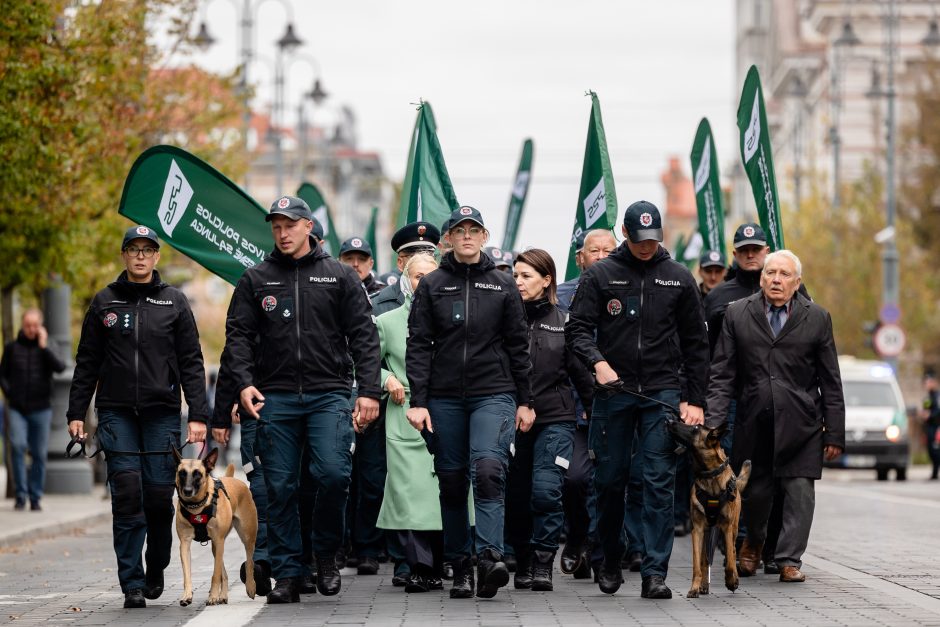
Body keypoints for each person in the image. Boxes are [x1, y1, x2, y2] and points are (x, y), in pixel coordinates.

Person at [214, 195, 381, 603]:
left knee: (335, 475)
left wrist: (370, 392)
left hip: (329, 395)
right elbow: (237, 338)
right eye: (276, 226)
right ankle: (289, 572)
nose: (283, 233)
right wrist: (243, 383)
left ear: (309, 227)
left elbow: (364, 337)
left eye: (290, 225)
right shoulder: (256, 279)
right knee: (281, 486)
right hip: (276, 398)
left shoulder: (340, 276)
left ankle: (324, 552)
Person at [566, 200, 709, 599]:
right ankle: (609, 558)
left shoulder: (678, 278)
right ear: (625, 234)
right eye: (640, 239)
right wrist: (598, 363)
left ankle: (654, 572)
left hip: (661, 393)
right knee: (610, 482)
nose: (647, 246)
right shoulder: (601, 275)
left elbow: (697, 346)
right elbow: (577, 330)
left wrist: (694, 399)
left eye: (654, 239)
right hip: (614, 392)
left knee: (658, 481)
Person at [66, 225, 209, 609]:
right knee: (127, 495)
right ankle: (131, 582)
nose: (141, 256)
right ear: (124, 255)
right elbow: (87, 361)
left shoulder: (175, 302)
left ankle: (156, 566)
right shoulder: (104, 302)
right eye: (134, 249)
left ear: (157, 257)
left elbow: (192, 363)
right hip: (115, 414)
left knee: (160, 500)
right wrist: (76, 411)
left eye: (148, 250)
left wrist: (199, 414)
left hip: (162, 413)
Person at [406, 205, 532, 599]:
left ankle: (489, 558)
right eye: (458, 230)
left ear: (484, 236)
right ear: (448, 239)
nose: (466, 236)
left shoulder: (502, 283)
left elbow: (518, 346)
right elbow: (418, 346)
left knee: (490, 469)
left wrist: (525, 401)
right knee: (452, 480)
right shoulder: (432, 285)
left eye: (473, 230)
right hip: (443, 398)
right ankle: (460, 567)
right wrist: (418, 400)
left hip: (493, 392)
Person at [705, 250, 845, 583]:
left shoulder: (818, 318)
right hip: (754, 420)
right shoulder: (738, 314)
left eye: (784, 274)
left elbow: (830, 379)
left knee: (799, 491)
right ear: (762, 277)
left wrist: (835, 433)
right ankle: (753, 541)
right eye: (771, 273)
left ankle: (789, 559)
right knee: (755, 491)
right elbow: (722, 374)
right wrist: (713, 423)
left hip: (803, 423)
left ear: (797, 282)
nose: (776, 280)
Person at [506, 248, 594, 592]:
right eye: (515, 276)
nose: (518, 282)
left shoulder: (565, 322)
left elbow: (582, 376)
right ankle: (523, 561)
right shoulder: (503, 320)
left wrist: (595, 414)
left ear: (547, 281)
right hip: (511, 419)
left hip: (556, 418)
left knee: (546, 491)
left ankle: (543, 562)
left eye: (526, 276)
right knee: (515, 497)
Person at [375, 252, 445, 592]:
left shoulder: (455, 317)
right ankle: (419, 566)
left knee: (444, 489)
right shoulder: (387, 321)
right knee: (408, 493)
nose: (425, 283)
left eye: (431, 276)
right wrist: (386, 378)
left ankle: (440, 561)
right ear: (406, 279)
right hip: (403, 416)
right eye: (418, 276)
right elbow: (363, 362)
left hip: (446, 412)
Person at [555, 228, 617, 579]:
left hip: (615, 402)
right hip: (571, 404)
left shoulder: (626, 292)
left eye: (609, 250)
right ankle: (577, 535)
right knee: (575, 479)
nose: (601, 257)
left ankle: (601, 552)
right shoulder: (560, 297)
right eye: (594, 251)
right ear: (580, 257)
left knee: (610, 481)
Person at [0, 308, 66, 511]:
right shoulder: (12, 347)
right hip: (18, 407)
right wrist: (10, 394)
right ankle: (20, 495)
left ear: (41, 326)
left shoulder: (48, 346)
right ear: (22, 325)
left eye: (35, 325)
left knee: (38, 453)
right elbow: (2, 375)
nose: (31, 329)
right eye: (28, 325)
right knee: (18, 447)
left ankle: (35, 497)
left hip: (41, 408)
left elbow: (60, 367)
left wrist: (44, 346)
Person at [372, 222, 441, 317]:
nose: (421, 261)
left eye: (428, 255)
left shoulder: (446, 298)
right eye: (413, 257)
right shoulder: (377, 305)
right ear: (400, 263)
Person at [919, 371, 940, 479]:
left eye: (928, 382)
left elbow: (937, 411)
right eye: (925, 383)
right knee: (931, 450)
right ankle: (935, 472)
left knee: (936, 450)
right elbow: (926, 409)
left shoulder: (937, 396)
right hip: (929, 427)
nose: (926, 384)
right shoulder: (928, 397)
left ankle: (935, 472)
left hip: (936, 427)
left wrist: (930, 415)